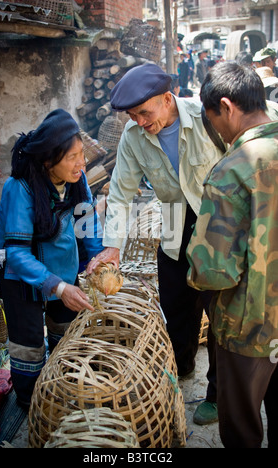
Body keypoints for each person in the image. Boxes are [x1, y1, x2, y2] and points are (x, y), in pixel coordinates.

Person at [86, 62, 224, 425]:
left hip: (217, 224)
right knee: (177, 304)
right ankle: (182, 363)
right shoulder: (134, 138)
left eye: (144, 113)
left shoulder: (206, 116)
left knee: (221, 312)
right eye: (133, 116)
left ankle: (217, 393)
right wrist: (112, 246)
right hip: (176, 223)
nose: (140, 122)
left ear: (168, 98)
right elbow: (119, 195)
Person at [186, 61, 278, 448]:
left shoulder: (231, 172)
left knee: (241, 429)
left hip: (249, 328)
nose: (216, 132)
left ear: (226, 106)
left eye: (213, 120)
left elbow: (212, 272)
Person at [0, 109, 104, 408]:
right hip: (21, 276)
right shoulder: (20, 188)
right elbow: (15, 252)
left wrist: (99, 259)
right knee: (28, 347)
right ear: (47, 160)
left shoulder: (77, 183)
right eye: (72, 157)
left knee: (65, 333)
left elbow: (88, 225)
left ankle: (63, 390)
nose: (81, 162)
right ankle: (33, 405)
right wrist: (58, 287)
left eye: (82, 154)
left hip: (61, 269)